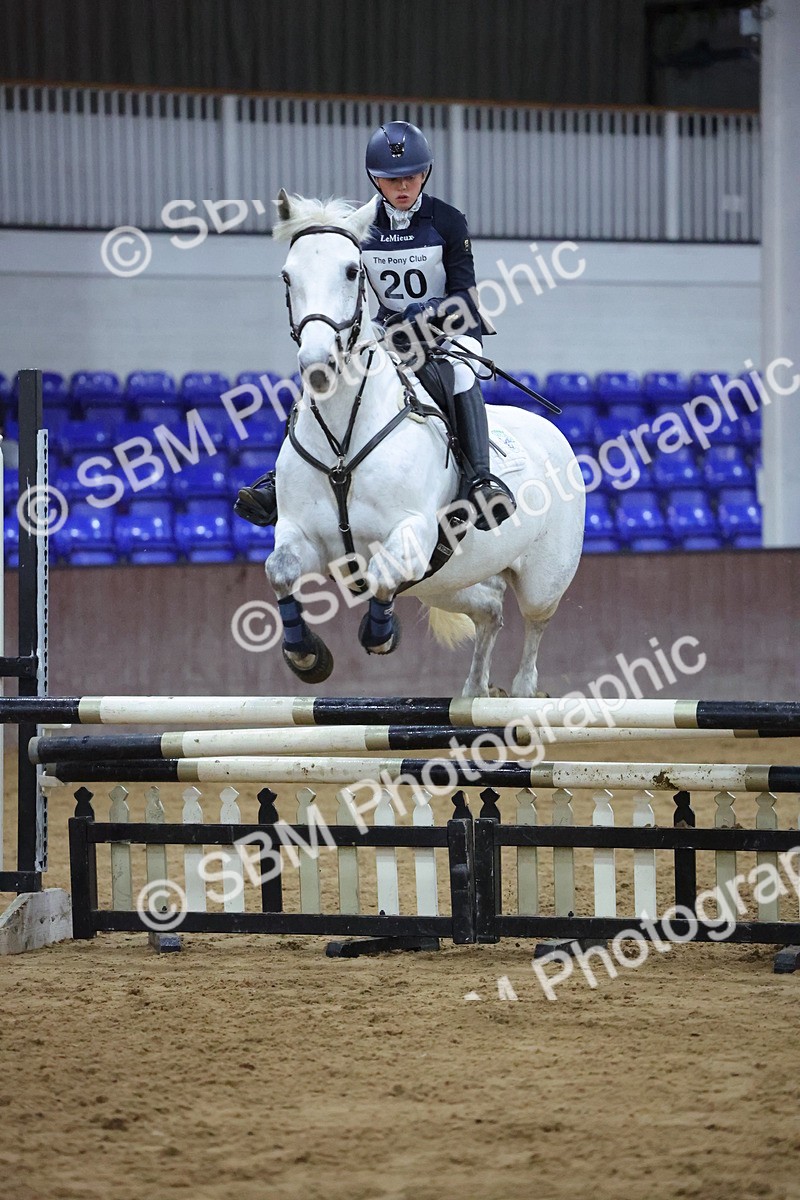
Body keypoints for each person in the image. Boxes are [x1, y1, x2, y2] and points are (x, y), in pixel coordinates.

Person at [235, 120, 516, 531]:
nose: (403, 187)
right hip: (389, 333)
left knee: (461, 373)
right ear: (375, 179)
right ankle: (282, 482)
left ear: (426, 173)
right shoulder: (360, 226)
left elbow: (466, 298)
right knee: (324, 374)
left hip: (447, 332)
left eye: (411, 176)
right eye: (391, 179)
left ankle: (480, 480)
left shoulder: (448, 221)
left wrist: (427, 312)